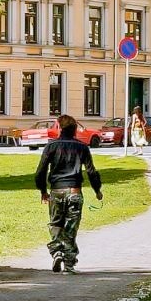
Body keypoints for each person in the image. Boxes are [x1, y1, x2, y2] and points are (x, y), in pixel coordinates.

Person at [35, 114, 104, 274]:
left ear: (60, 128)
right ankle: (69, 264)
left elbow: (40, 171)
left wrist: (43, 190)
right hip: (74, 191)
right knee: (71, 228)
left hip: (56, 191)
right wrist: (97, 190)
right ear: (74, 130)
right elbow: (92, 171)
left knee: (55, 224)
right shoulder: (82, 147)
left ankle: (57, 252)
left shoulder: (51, 147)